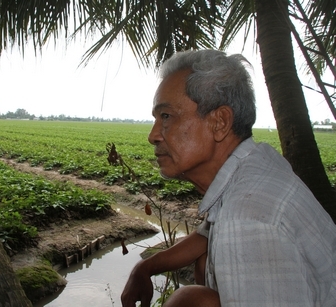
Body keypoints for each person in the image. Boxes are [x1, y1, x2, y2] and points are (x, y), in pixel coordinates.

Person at [120, 49, 336, 307]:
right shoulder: (253, 167)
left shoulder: (246, 218)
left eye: (166, 116)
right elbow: (205, 236)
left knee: (191, 300)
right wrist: (144, 268)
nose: (153, 135)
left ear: (220, 122)